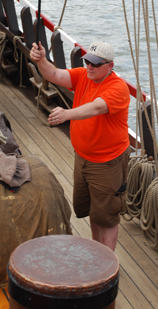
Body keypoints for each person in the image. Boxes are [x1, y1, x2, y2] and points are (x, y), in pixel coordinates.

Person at [30, 40, 130, 251]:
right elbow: (54, 75)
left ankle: (106, 263)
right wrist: (41, 60)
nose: (89, 67)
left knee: (108, 216)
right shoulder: (84, 75)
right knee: (94, 210)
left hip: (107, 163)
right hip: (83, 159)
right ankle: (97, 251)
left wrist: (67, 114)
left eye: (95, 64)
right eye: (87, 62)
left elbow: (96, 108)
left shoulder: (118, 88)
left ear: (110, 66)